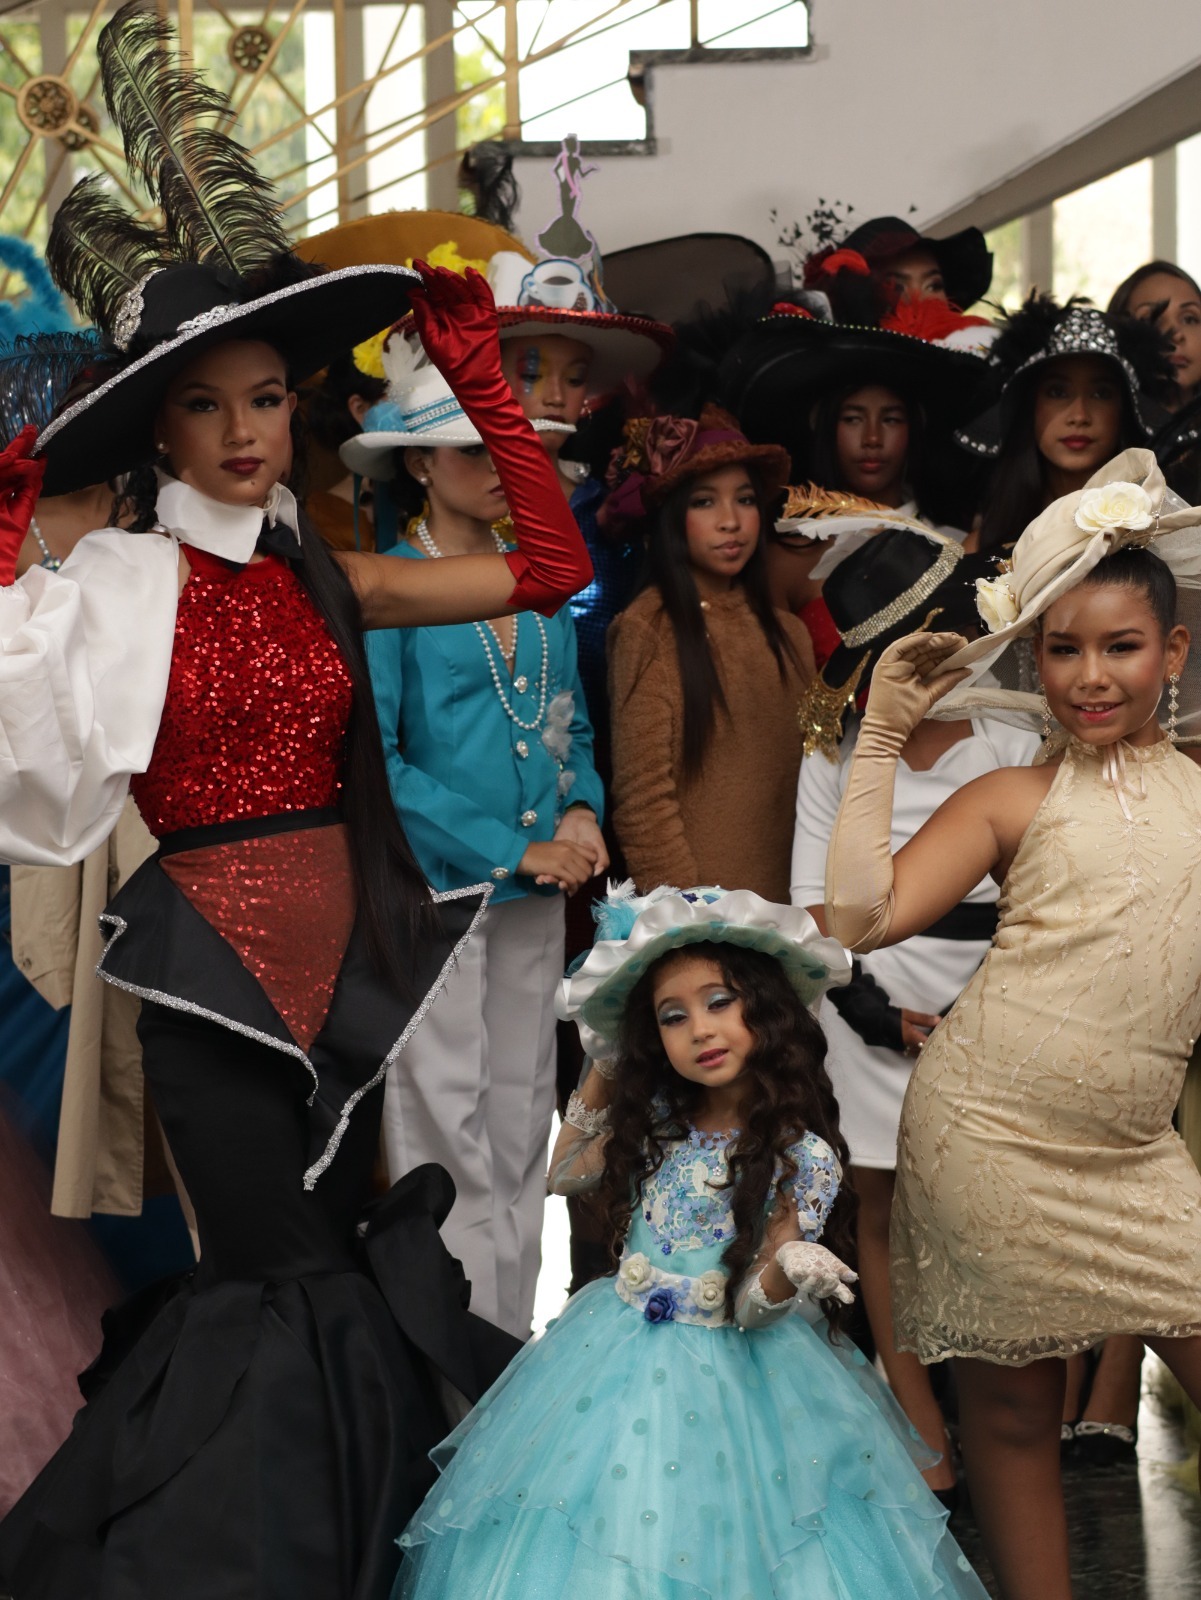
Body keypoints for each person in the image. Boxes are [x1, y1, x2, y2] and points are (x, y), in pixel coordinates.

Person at [0, 6, 591, 1596]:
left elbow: (552, 570)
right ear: (160, 425)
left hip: (347, 967)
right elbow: (19, 723)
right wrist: (4, 552)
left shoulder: (325, 573)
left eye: (267, 399)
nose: (245, 431)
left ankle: (329, 1545)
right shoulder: (113, 582)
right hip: (204, 970)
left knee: (318, 1265)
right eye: (208, 405)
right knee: (273, 1274)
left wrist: (485, 386)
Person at [823, 448, 1201, 1600]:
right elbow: (860, 916)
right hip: (987, 1137)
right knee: (1013, 1413)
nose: (1089, 676)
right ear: (1033, 658)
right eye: (1063, 648)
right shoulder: (1008, 798)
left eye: (1120, 646)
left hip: (1136, 1154)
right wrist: (878, 739)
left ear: (1173, 652)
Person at [391, 882, 992, 1599]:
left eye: (719, 1002)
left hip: (737, 1381)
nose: (700, 1030)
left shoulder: (799, 1156)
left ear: (765, 1010)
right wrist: (607, 1059)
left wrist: (787, 1265)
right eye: (672, 1018)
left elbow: (751, 1311)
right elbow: (564, 1174)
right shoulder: (660, 1124)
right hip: (613, 1360)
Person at [351, 317, 606, 1339]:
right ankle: (453, 1371)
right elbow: (379, 765)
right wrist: (510, 847)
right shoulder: (381, 585)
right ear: (417, 463)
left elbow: (571, 726)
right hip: (437, 897)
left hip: (534, 895)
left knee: (522, 1120)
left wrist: (581, 806)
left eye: (512, 448)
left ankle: (511, 1363)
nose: (501, 467)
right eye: (472, 449)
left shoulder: (537, 583)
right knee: (443, 1136)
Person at [788, 503, 1038, 1504]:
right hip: (865, 991)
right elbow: (811, 897)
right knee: (883, 1206)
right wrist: (871, 1010)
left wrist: (986, 1008)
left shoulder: (1010, 735)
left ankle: (997, 1399)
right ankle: (916, 1415)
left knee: (982, 1204)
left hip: (994, 989)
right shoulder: (832, 752)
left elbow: (1038, 885)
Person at [606, 407, 815, 900]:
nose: (731, 521)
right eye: (704, 502)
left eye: (745, 499)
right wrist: (690, 919)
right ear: (672, 517)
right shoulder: (648, 629)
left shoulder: (790, 633)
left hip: (796, 909)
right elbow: (643, 802)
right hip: (707, 916)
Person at [959, 293, 1174, 554]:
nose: (1079, 416)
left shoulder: (1166, 541)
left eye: (1101, 394)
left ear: (1126, 409)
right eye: (1057, 392)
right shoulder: (978, 549)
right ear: (1029, 405)